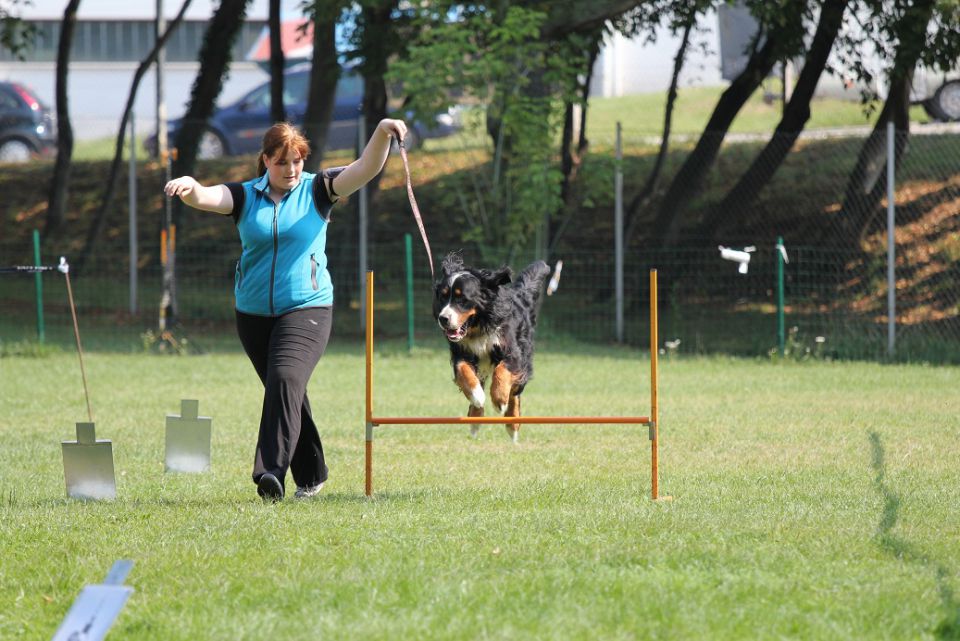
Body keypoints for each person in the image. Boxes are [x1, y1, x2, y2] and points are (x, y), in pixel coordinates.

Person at [164, 119, 408, 502]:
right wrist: (190, 188)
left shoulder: (318, 189)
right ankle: (312, 475)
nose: (291, 169)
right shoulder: (245, 196)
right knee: (287, 389)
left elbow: (364, 168)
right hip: (252, 315)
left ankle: (270, 473)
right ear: (265, 161)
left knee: (284, 378)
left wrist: (381, 132)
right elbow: (208, 197)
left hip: (307, 308)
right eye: (281, 162)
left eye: (297, 160)